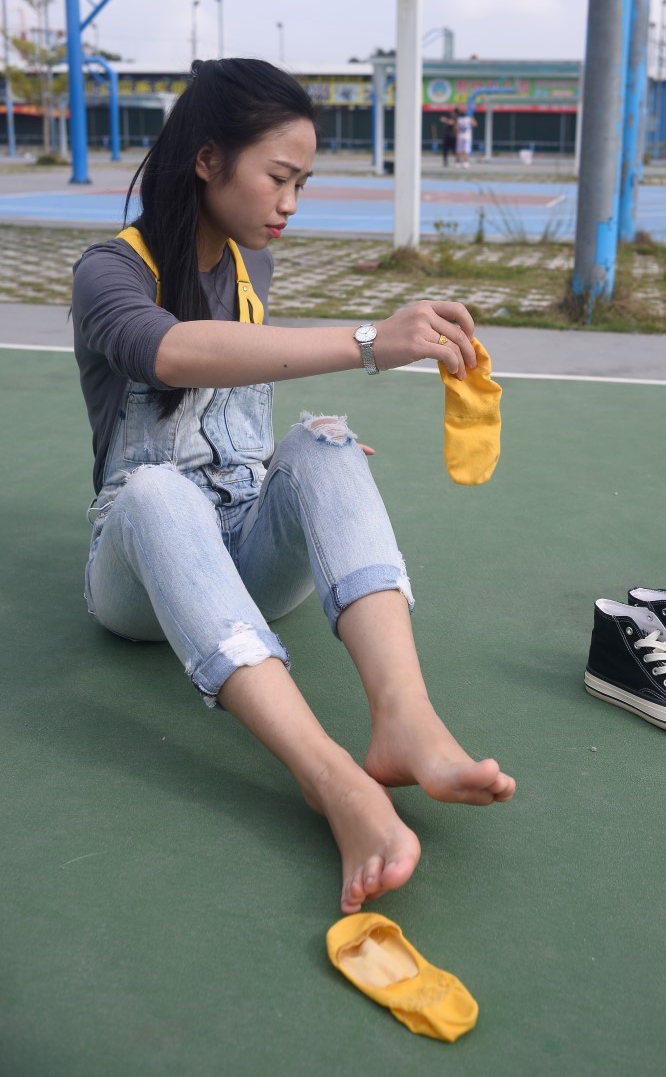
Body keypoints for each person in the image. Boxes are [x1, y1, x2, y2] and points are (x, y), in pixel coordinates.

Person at [71, 58, 515, 917]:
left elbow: (234, 407)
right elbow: (170, 355)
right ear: (208, 158)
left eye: (302, 184)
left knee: (327, 442)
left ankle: (406, 719)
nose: (291, 203)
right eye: (279, 177)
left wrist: (306, 471)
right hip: (137, 580)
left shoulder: (253, 269)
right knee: (159, 493)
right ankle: (333, 780)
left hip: (243, 555)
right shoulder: (108, 272)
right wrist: (368, 342)